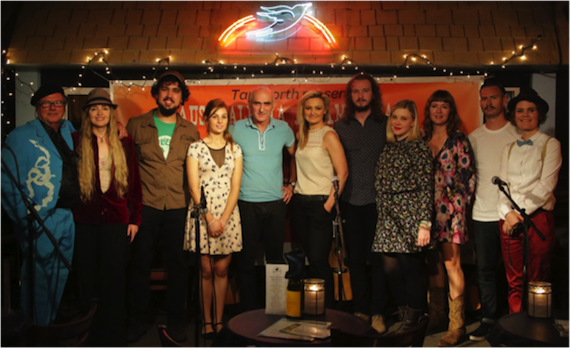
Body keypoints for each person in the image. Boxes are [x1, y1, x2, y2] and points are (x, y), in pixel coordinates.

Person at [126, 71, 200, 343]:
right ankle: (138, 319)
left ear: (182, 98)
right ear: (156, 93)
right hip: (147, 204)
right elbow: (126, 167)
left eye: (176, 90)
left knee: (179, 264)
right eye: (165, 89)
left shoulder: (190, 130)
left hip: (179, 204)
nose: (170, 95)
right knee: (140, 263)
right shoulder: (136, 125)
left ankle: (176, 321)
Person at [0, 84, 78, 325]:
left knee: (59, 273)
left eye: (58, 103)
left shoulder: (68, 130)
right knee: (39, 275)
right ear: (37, 108)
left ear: (64, 107)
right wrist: (25, 218)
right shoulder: (20, 137)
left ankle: (49, 324)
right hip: (41, 216)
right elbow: (5, 182)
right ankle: (35, 328)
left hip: (67, 215)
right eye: (47, 103)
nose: (53, 108)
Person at [71, 88, 142, 347]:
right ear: (87, 113)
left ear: (111, 113)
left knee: (114, 280)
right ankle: (90, 336)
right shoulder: (74, 139)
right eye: (94, 108)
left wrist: (135, 218)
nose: (99, 112)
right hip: (86, 219)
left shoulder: (124, 141)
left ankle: (113, 337)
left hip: (117, 218)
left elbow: (134, 182)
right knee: (88, 278)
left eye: (104, 108)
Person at [230, 86, 295, 312]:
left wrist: (292, 185)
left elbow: (298, 155)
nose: (261, 108)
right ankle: (247, 313)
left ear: (273, 106)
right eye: (257, 103)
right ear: (250, 105)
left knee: (275, 260)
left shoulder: (284, 129)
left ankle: (275, 311)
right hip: (245, 203)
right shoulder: (235, 129)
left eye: (266, 104)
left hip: (276, 204)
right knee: (246, 261)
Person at [371, 100, 433, 332]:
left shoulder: (419, 147)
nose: (397, 122)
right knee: (390, 270)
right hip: (387, 217)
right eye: (394, 117)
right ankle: (405, 310)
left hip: (410, 216)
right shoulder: (388, 147)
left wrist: (424, 223)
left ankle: (413, 320)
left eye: (403, 118)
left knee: (411, 271)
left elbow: (426, 187)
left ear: (413, 122)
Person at [333, 73, 388, 331]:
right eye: (356, 92)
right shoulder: (340, 127)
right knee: (355, 259)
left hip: (380, 203)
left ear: (373, 94)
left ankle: (378, 312)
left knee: (378, 259)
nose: (361, 96)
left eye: (365, 91)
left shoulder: (386, 124)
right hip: (351, 201)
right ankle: (360, 310)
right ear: (350, 95)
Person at [498, 88, 561, 314]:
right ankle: (516, 323)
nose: (525, 114)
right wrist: (507, 213)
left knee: (537, 277)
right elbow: (502, 185)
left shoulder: (550, 144)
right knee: (513, 276)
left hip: (537, 218)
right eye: (520, 110)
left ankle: (536, 329)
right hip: (510, 219)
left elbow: (545, 187)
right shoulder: (509, 147)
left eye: (531, 110)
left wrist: (520, 213)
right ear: (514, 116)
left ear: (539, 115)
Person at [184, 99, 243, 337]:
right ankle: (206, 321)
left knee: (221, 269)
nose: (219, 121)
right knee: (206, 270)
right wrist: (209, 219)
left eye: (224, 116)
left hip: (228, 216)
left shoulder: (235, 149)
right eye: (215, 116)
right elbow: (193, 186)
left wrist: (223, 219)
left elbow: (236, 187)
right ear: (206, 119)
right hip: (202, 215)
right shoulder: (195, 148)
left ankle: (219, 321)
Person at [423, 90, 476, 347]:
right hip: (425, 212)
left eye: (444, 106)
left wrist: (457, 207)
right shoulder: (421, 138)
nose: (439, 111)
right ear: (429, 110)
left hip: (451, 212)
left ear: (450, 111)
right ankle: (437, 316)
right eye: (435, 106)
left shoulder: (459, 140)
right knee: (433, 264)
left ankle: (457, 324)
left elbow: (468, 177)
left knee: (452, 264)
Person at [467, 79, 518, 341]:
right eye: (484, 98)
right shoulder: (474, 137)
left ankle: (515, 322)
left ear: (504, 100)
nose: (488, 103)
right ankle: (488, 319)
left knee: (514, 273)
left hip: (512, 215)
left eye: (493, 98)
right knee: (485, 270)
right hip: (482, 213)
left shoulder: (518, 134)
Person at [292, 90, 348, 307]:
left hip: (320, 204)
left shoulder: (329, 135)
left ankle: (329, 312)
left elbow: (342, 173)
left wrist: (328, 205)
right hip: (300, 203)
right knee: (310, 260)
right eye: (308, 108)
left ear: (325, 111)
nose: (312, 112)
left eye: (317, 108)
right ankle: (314, 309)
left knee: (318, 261)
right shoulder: (301, 135)